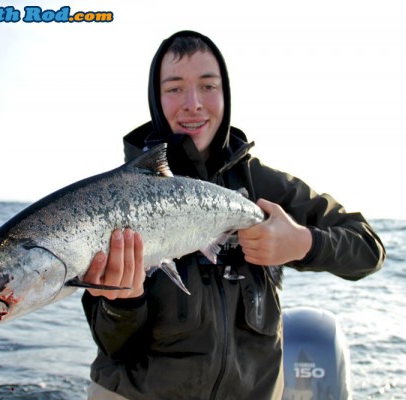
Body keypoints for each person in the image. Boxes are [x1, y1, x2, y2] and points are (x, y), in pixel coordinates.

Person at [81, 30, 385, 400]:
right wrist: (123, 303)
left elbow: (369, 250)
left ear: (226, 94)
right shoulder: (114, 200)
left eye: (208, 86)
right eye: (174, 88)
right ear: (155, 100)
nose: (193, 103)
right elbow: (117, 349)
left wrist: (301, 242)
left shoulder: (265, 187)